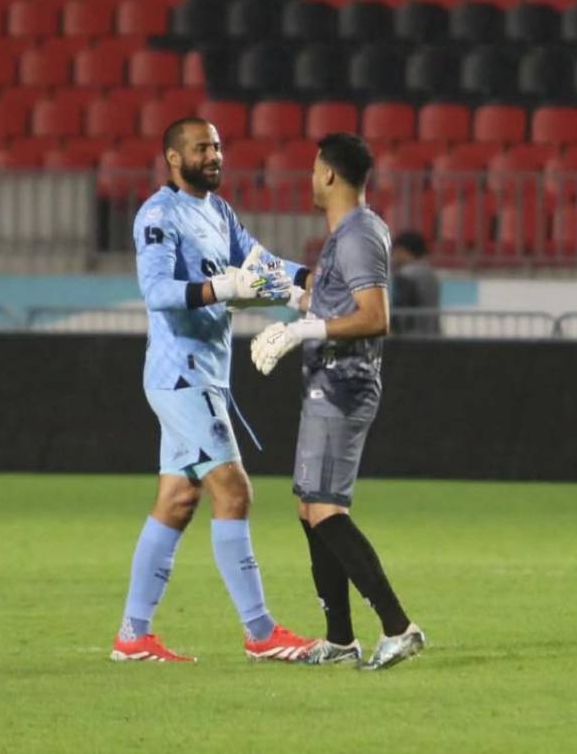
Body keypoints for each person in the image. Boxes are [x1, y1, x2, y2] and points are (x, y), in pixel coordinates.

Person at [110, 117, 316, 664]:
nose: (214, 155)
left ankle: (133, 636)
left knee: (178, 501)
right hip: (181, 374)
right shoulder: (158, 215)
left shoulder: (219, 211)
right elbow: (157, 292)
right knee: (234, 490)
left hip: (203, 374)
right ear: (174, 158)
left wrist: (306, 281)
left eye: (218, 146)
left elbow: (259, 265)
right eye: (202, 147)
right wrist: (223, 286)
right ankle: (261, 632)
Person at [249, 132, 426, 670]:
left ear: (328, 174)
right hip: (327, 381)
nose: (310, 178)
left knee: (326, 509)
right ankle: (341, 637)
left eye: (313, 169)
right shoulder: (349, 234)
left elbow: (375, 317)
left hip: (344, 384)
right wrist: (277, 290)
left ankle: (398, 626)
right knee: (311, 508)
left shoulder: (358, 235)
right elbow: (328, 300)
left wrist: (302, 331)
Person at [390, 230, 441, 336]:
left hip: (410, 338)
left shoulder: (405, 276)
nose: (393, 257)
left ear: (403, 251)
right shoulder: (431, 275)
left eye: (395, 252)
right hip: (433, 336)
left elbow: (400, 310)